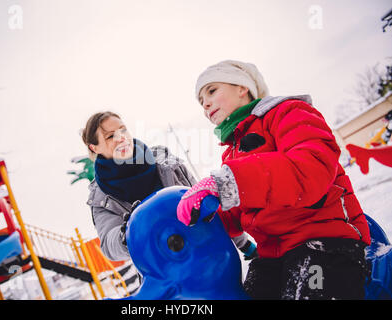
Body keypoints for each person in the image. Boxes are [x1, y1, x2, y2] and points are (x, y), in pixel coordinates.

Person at [177, 60, 371, 300]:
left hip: (325, 241)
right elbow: (240, 212)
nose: (205, 104)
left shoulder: (288, 112)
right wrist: (202, 218)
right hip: (272, 256)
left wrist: (230, 181)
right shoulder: (232, 152)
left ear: (242, 87)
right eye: (200, 101)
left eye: (211, 90)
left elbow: (311, 170)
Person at [81, 111, 257, 272]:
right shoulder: (102, 197)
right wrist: (127, 235)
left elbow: (205, 204)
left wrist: (243, 243)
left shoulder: (165, 162)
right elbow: (109, 244)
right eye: (111, 136)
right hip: (167, 273)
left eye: (123, 130)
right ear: (94, 148)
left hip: (211, 252)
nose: (121, 138)